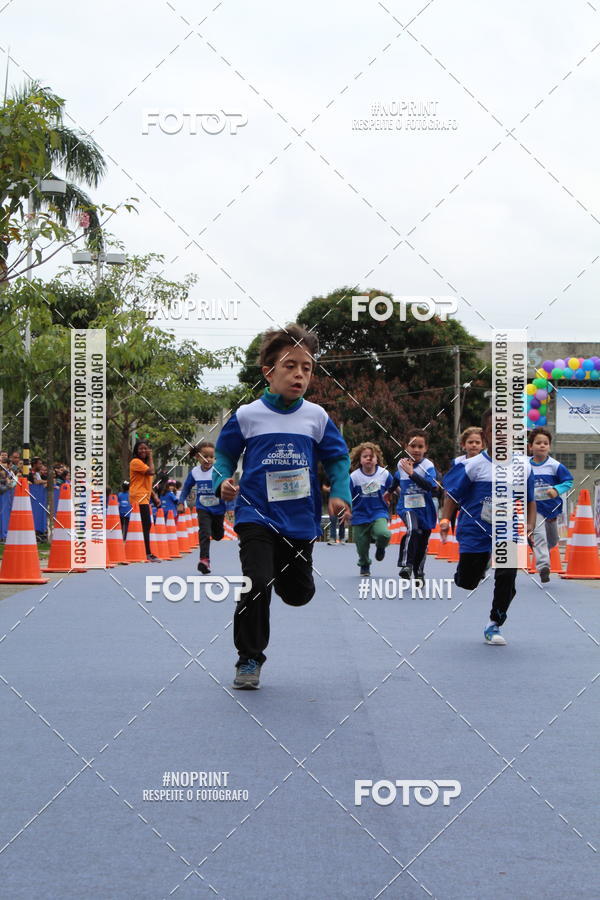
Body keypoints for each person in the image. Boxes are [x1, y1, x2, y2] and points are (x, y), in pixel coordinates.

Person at [213, 324, 351, 690]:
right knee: (256, 582)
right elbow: (223, 456)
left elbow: (338, 458)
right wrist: (221, 481)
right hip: (255, 515)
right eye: (290, 366)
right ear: (268, 372)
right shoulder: (247, 415)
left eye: (307, 368)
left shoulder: (316, 417)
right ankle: (249, 658)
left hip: (300, 520)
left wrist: (339, 491)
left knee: (297, 593)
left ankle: (292, 583)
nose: (300, 374)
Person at [440, 408, 536, 646]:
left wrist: (531, 525)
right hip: (475, 529)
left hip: (508, 530)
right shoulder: (473, 465)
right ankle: (474, 568)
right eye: (496, 430)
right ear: (486, 434)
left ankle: (495, 623)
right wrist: (445, 520)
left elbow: (531, 499)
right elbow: (452, 495)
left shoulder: (523, 467)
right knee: (467, 582)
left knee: (508, 573)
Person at [392, 429, 439, 585]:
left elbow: (431, 487)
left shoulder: (428, 466)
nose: (416, 450)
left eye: (420, 446)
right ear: (406, 447)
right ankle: (406, 565)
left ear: (426, 448)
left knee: (422, 541)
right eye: (413, 446)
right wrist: (388, 492)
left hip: (425, 508)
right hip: (406, 507)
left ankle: (419, 571)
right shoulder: (401, 464)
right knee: (413, 530)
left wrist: (412, 473)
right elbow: (396, 479)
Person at [528, 426, 573, 583]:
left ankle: (541, 552)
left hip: (552, 508)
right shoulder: (525, 466)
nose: (542, 445)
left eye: (545, 443)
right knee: (540, 536)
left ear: (549, 446)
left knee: (552, 541)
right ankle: (543, 567)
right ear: (530, 446)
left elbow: (568, 481)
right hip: (534, 508)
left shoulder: (555, 466)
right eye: (538, 442)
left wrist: (556, 489)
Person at [178, 442, 225, 574]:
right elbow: (186, 487)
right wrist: (181, 502)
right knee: (204, 532)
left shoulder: (218, 471)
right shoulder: (195, 472)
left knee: (218, 535)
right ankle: (204, 560)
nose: (208, 459)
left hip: (218, 509)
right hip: (203, 507)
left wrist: (230, 502)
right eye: (205, 456)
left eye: (211, 457)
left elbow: (227, 487)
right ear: (198, 457)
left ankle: (217, 534)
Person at [349, 441, 393, 576]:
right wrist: (345, 510)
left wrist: (400, 494)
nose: (369, 458)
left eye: (371, 456)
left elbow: (394, 487)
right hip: (360, 514)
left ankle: (381, 547)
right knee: (361, 545)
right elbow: (347, 496)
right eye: (365, 456)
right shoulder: (354, 477)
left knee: (384, 534)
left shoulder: (384, 474)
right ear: (360, 460)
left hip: (378, 511)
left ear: (377, 459)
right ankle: (364, 563)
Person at [129, 440, 161, 561]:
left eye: (145, 448)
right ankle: (147, 553)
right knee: (145, 524)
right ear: (136, 451)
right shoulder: (135, 462)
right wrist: (151, 456)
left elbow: (147, 482)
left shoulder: (143, 464)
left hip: (144, 497)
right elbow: (152, 472)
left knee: (144, 525)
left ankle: (143, 551)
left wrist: (154, 496)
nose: (143, 451)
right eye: (140, 449)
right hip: (138, 497)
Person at [322, 475, 346, 544]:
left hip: (342, 502)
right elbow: (323, 487)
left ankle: (342, 538)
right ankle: (332, 538)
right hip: (331, 502)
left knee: (342, 521)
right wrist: (329, 489)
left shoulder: (344, 476)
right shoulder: (329, 476)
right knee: (332, 520)